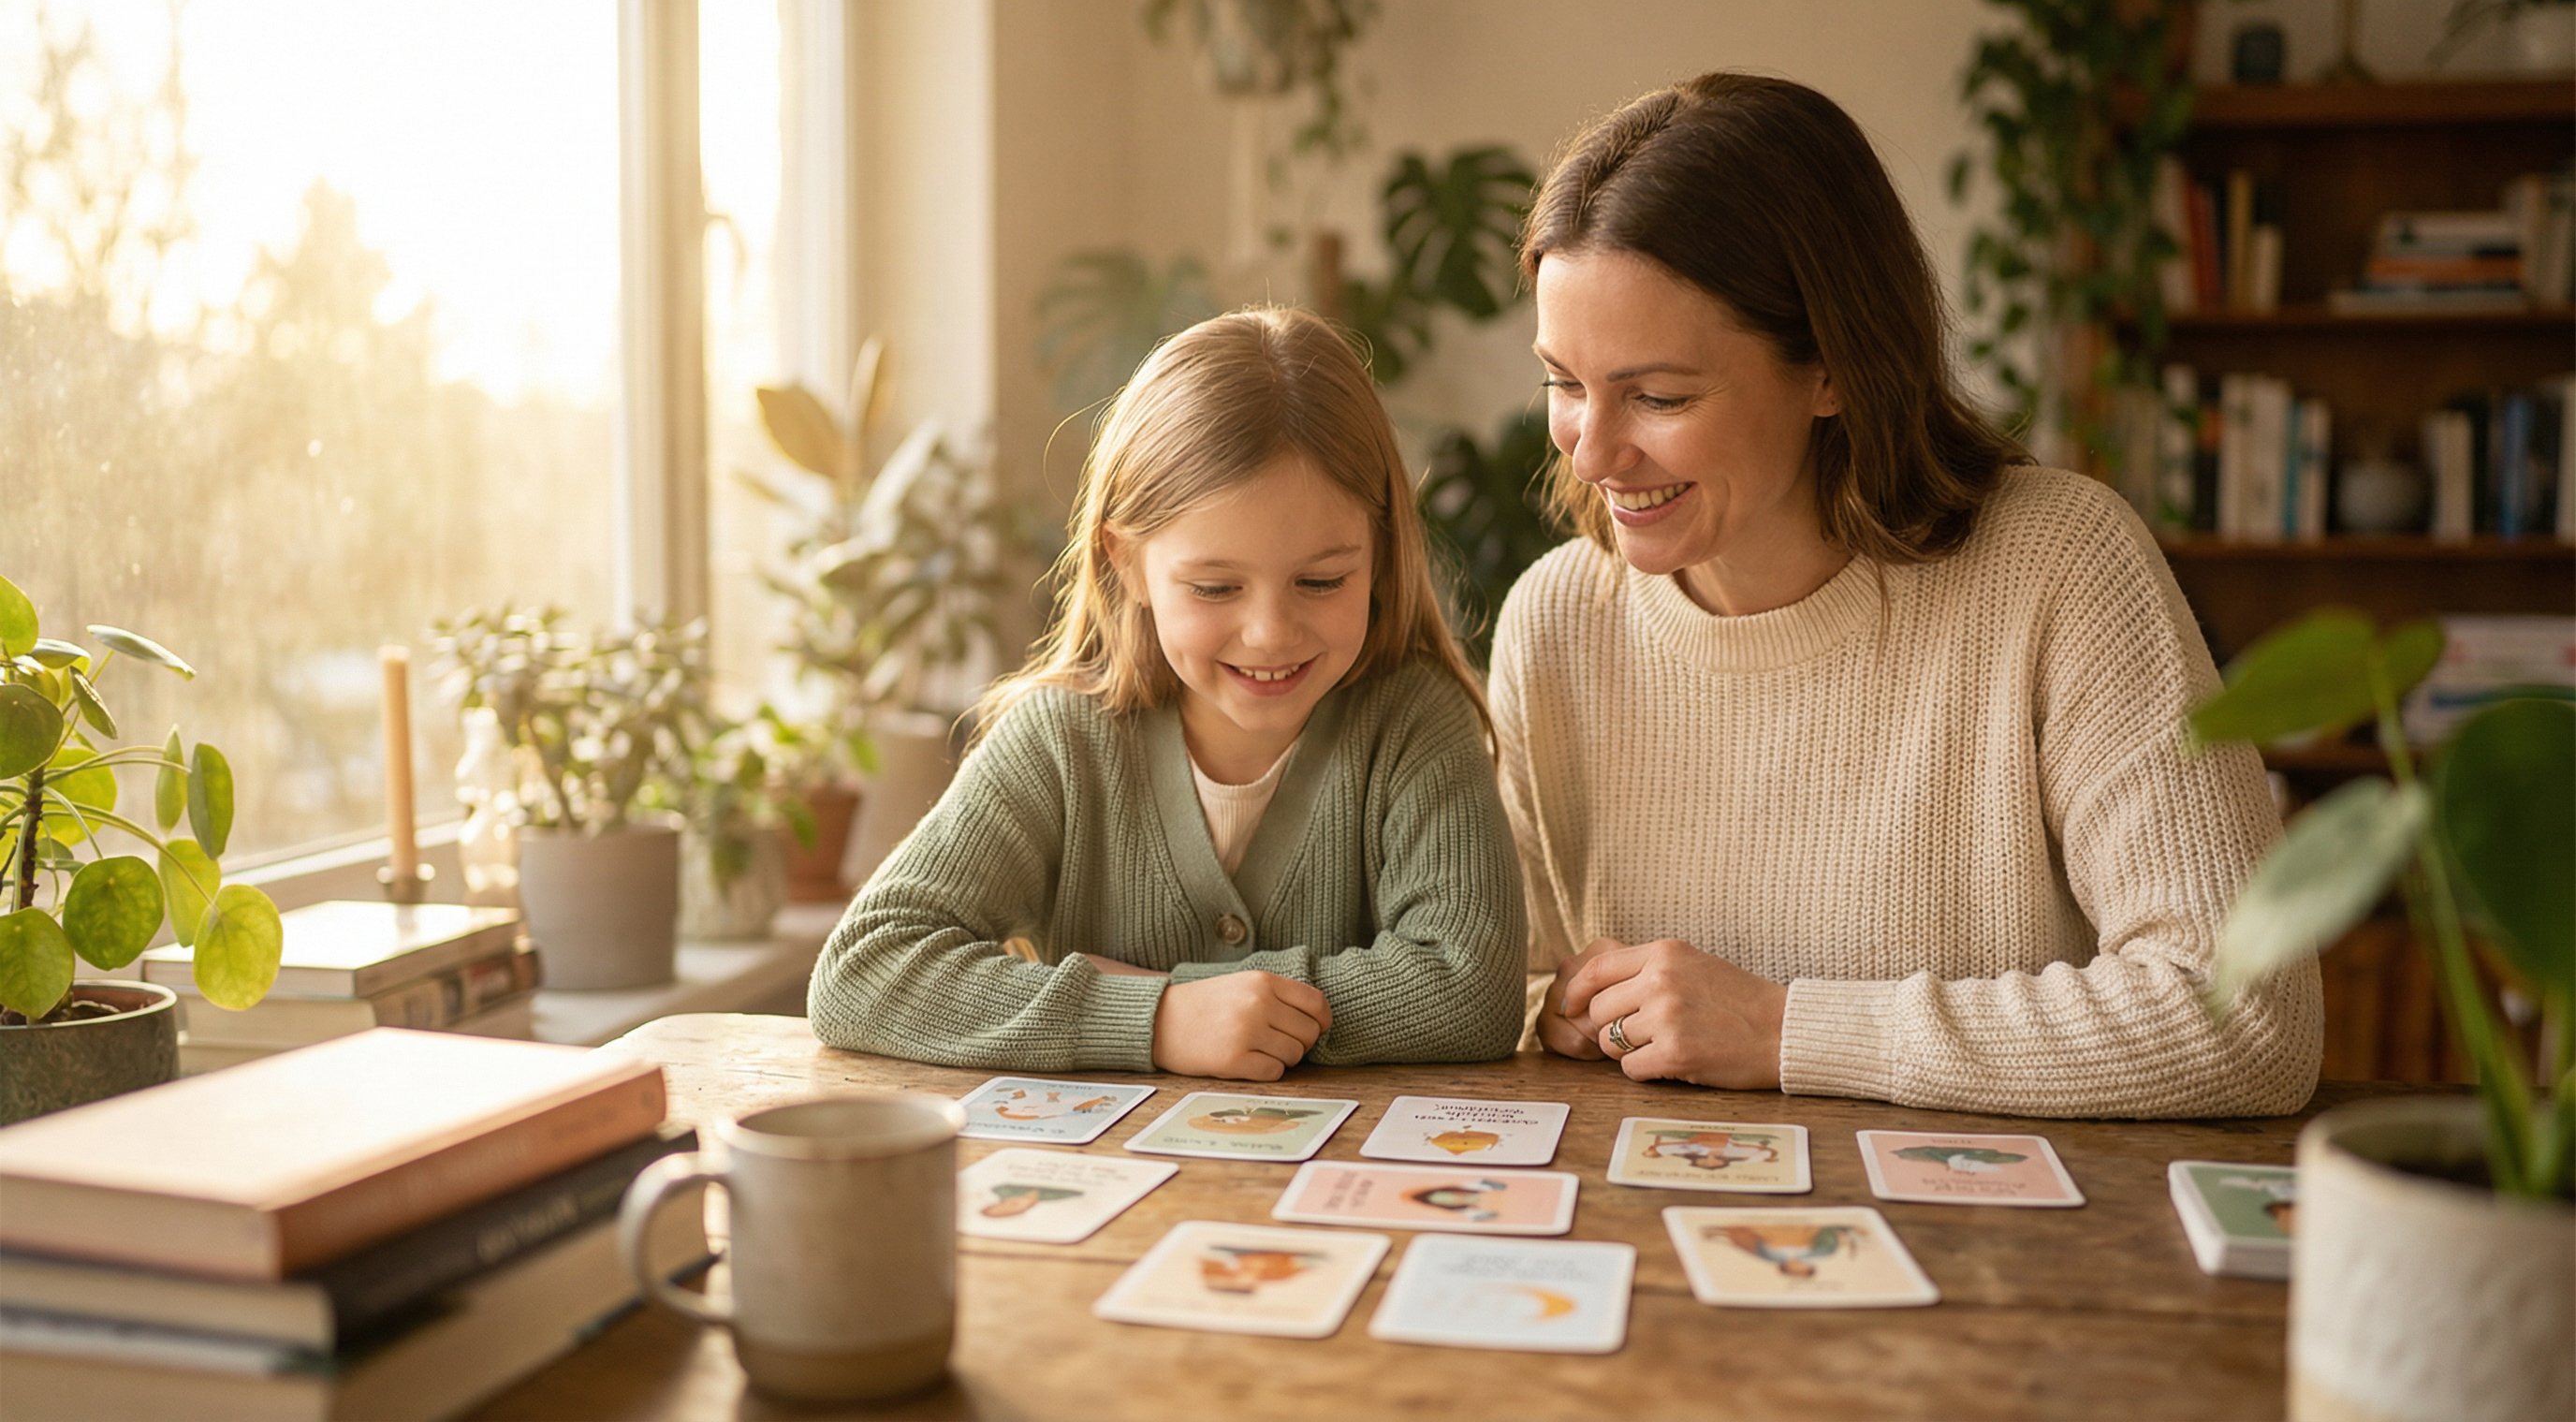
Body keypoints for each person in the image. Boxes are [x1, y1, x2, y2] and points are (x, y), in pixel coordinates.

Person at [1496, 73, 2320, 1118]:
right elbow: (1506, 987)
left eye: (1658, 395)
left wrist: (1786, 1029)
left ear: (1834, 369)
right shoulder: (1556, 622)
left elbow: (2247, 1017)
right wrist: (1553, 1010)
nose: (1596, 450)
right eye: (1563, 384)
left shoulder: (2060, 568)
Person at [809, 308, 1527, 1080]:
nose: (1270, 633)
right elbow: (862, 971)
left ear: (1381, 554)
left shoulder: (1413, 723)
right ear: (1127, 565)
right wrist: (1158, 1023)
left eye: (1321, 581)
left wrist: (1186, 998)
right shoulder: (1061, 743)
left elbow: (1470, 988)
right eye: (1215, 587)